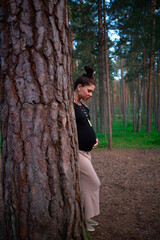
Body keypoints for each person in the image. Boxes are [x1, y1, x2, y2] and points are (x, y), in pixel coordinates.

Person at [73, 66, 100, 232]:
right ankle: (85, 219)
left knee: (84, 185)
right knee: (94, 182)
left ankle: (84, 217)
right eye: (89, 91)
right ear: (79, 87)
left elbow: (86, 125)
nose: (90, 95)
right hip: (77, 152)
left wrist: (94, 138)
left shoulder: (82, 105)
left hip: (87, 151)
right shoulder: (68, 105)